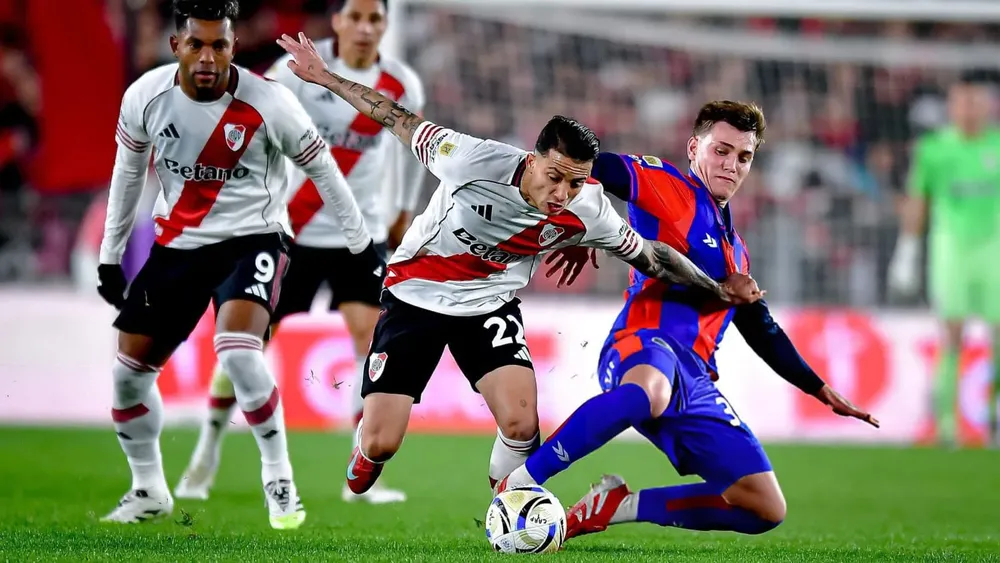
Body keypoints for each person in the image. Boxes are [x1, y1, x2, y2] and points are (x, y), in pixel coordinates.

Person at [274, 33, 763, 496]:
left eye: (575, 184)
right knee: (383, 442)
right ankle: (367, 449)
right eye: (555, 178)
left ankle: (506, 511)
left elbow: (654, 256)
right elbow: (394, 117)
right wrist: (325, 78)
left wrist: (716, 288)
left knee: (522, 425)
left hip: (489, 303)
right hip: (416, 294)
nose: (561, 195)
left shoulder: (586, 207)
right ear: (533, 159)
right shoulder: (468, 160)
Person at [498, 101, 879, 541]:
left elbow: (762, 329)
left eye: (743, 157)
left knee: (764, 506)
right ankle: (521, 482)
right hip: (641, 345)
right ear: (694, 147)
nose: (731, 165)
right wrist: (584, 221)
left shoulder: (737, 251)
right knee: (649, 392)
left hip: (695, 380)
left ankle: (615, 507)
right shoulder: (664, 183)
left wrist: (821, 389)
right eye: (721, 150)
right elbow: (589, 165)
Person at [96, 0, 383, 528]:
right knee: (128, 377)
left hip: (254, 237)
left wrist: (362, 245)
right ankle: (148, 489)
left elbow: (323, 171)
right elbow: (127, 176)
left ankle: (279, 480)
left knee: (239, 352)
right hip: (179, 245)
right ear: (176, 46)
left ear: (232, 45)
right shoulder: (144, 97)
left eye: (220, 45)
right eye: (198, 44)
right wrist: (110, 258)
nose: (209, 57)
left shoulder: (268, 102)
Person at [175, 0, 422, 505]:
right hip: (293, 232)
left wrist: (402, 209)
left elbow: (412, 146)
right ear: (336, 22)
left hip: (360, 236)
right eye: (355, 16)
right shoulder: (298, 67)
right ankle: (207, 452)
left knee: (371, 343)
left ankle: (360, 480)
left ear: (385, 26)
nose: (364, 27)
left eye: (375, 19)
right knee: (248, 341)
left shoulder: (401, 84)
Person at [889, 73, 1000, 447]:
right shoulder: (934, 149)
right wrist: (906, 250)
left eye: (976, 102)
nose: (969, 110)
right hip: (951, 250)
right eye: (962, 102)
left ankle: (993, 417)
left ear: (988, 105)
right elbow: (919, 199)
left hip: (994, 250)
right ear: (952, 108)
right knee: (952, 333)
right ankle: (947, 426)